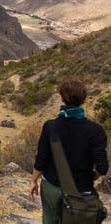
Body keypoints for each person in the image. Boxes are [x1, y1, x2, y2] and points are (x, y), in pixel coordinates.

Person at [29, 80, 109, 223]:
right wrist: (88, 178)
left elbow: (41, 159)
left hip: (52, 188)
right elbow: (102, 168)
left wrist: (33, 180)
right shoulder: (96, 130)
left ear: (62, 98)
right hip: (81, 191)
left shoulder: (50, 127)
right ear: (84, 100)